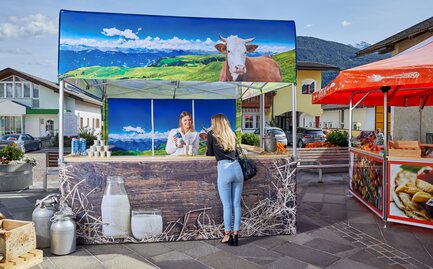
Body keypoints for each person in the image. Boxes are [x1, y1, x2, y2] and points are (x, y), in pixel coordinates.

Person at [206, 113, 243, 246]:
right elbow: (237, 152)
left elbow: (210, 152)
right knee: (236, 204)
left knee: (227, 205)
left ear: (215, 123)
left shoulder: (211, 134)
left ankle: (227, 235)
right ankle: (236, 234)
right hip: (237, 169)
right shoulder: (232, 133)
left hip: (224, 170)